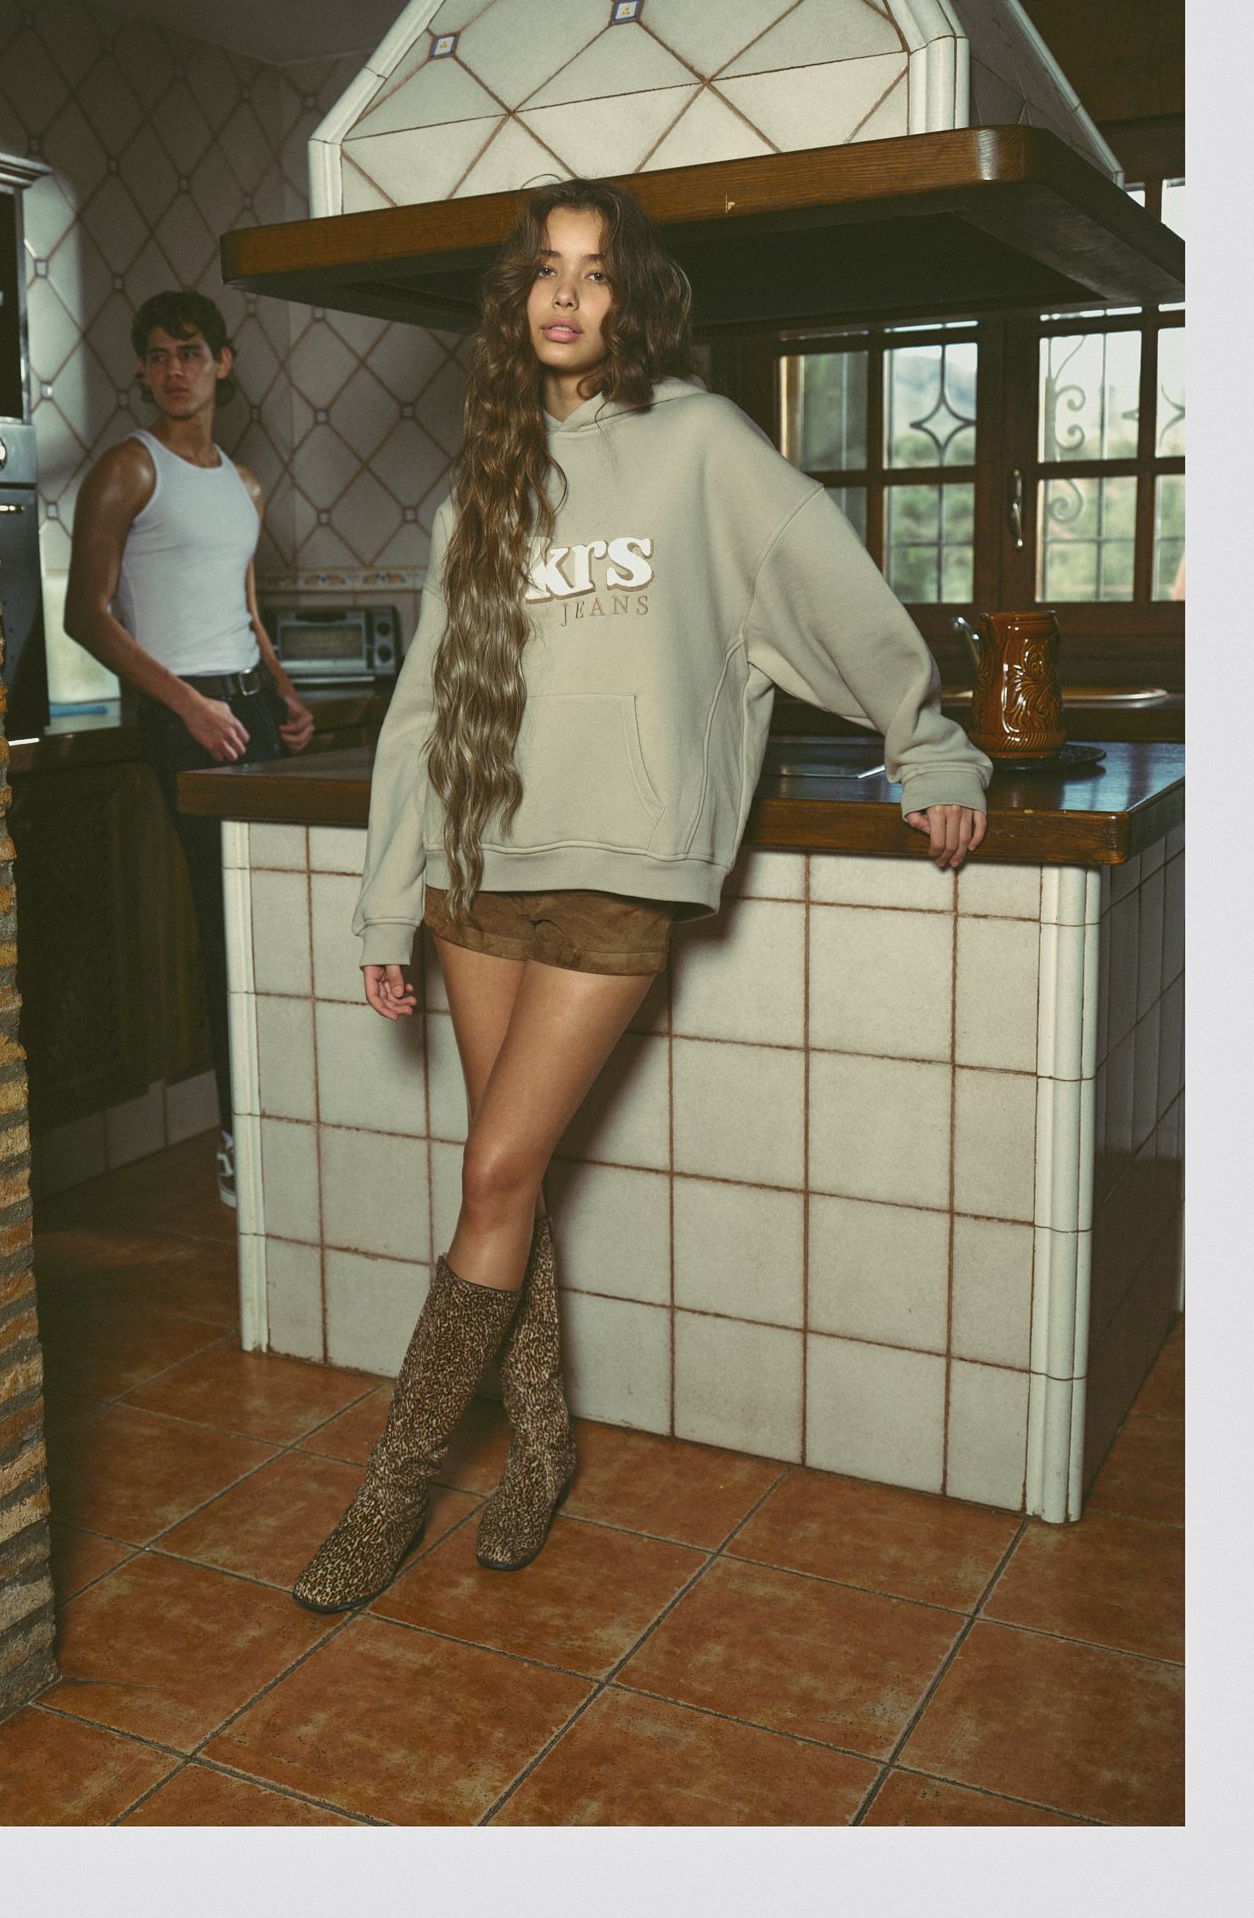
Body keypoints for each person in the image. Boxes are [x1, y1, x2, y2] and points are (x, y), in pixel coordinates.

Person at [291, 180, 991, 1615]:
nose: (565, 295)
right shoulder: (481, 480)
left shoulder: (700, 447)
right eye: (544, 272)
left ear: (632, 299)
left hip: (621, 879)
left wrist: (924, 739)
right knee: (514, 1171)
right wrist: (383, 905)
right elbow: (422, 712)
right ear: (515, 300)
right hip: (476, 875)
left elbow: (837, 591)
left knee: (491, 1174)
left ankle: (389, 1494)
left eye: (595, 273)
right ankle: (540, 1447)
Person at [64, 290, 315, 1207]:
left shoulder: (241, 482)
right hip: (184, 715)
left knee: (279, 919)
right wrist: (192, 708)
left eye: (190, 352)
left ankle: (291, 1118)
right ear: (141, 369)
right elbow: (84, 616)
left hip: (245, 703)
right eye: (157, 355)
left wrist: (283, 694)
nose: (174, 369)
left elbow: (243, 608)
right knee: (226, 924)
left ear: (224, 363)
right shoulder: (129, 471)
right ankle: (238, 1144)